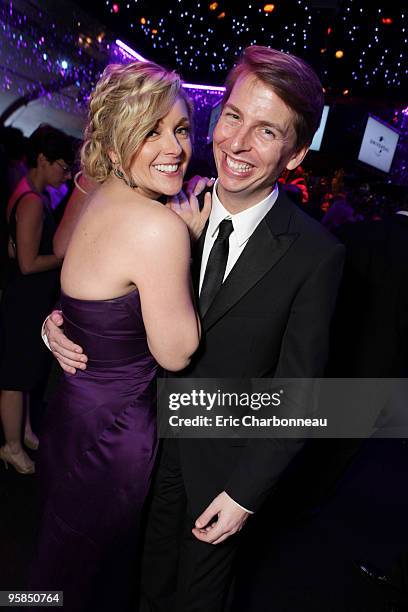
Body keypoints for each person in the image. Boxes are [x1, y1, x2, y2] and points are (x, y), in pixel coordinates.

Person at [45, 46, 345, 611]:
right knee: (138, 587)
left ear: (297, 154)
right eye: (232, 116)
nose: (236, 143)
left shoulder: (316, 254)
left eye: (266, 131)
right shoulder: (172, 195)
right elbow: (105, 278)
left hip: (222, 471)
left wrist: (245, 494)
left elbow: (302, 393)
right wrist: (59, 322)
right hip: (142, 453)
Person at [29, 61, 203, 612]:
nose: (173, 146)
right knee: (93, 573)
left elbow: (73, 272)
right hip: (115, 434)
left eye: (179, 128)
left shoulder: (97, 193)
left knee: (60, 555)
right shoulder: (160, 228)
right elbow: (176, 354)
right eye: (149, 131)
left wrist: (56, 322)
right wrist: (186, 238)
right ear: (115, 139)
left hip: (71, 410)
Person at [0, 124, 73, 474]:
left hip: (22, 297)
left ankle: (24, 433)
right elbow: (28, 264)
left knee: (24, 372)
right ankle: (11, 446)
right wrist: (64, 255)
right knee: (14, 378)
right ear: (42, 160)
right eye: (62, 165)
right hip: (24, 301)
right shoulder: (31, 201)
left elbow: (13, 251)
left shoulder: (27, 192)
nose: (66, 172)